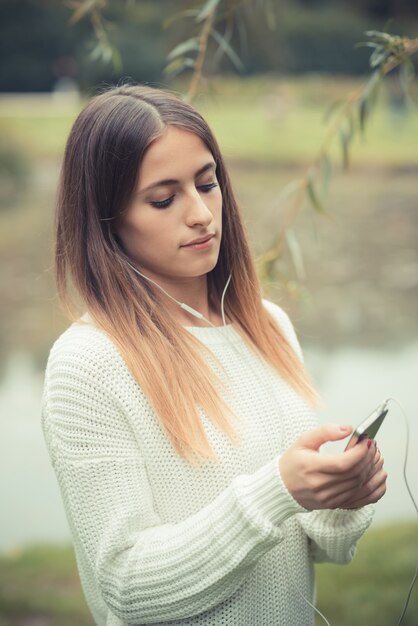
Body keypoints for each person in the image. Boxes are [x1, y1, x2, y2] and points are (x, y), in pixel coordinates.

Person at [41, 84, 387, 626]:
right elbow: (126, 589)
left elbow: (317, 547)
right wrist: (278, 490)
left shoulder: (267, 324)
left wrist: (343, 495)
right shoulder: (88, 365)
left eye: (208, 183)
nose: (201, 213)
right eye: (164, 198)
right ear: (106, 219)